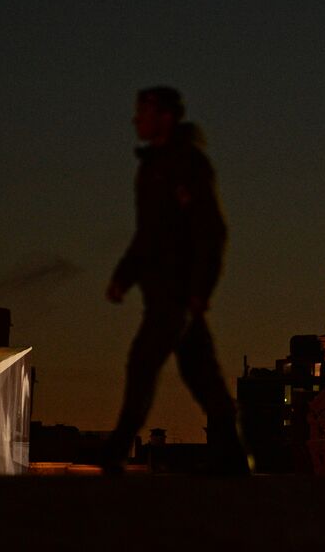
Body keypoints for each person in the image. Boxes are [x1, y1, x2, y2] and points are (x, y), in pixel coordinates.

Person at [100, 86, 247, 475]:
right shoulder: (153, 167)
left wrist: (199, 289)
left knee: (143, 364)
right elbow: (149, 233)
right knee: (202, 377)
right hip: (167, 292)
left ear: (165, 118)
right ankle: (233, 461)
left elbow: (209, 230)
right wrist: (124, 277)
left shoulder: (186, 166)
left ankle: (114, 450)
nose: (136, 120)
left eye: (143, 113)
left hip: (175, 294)